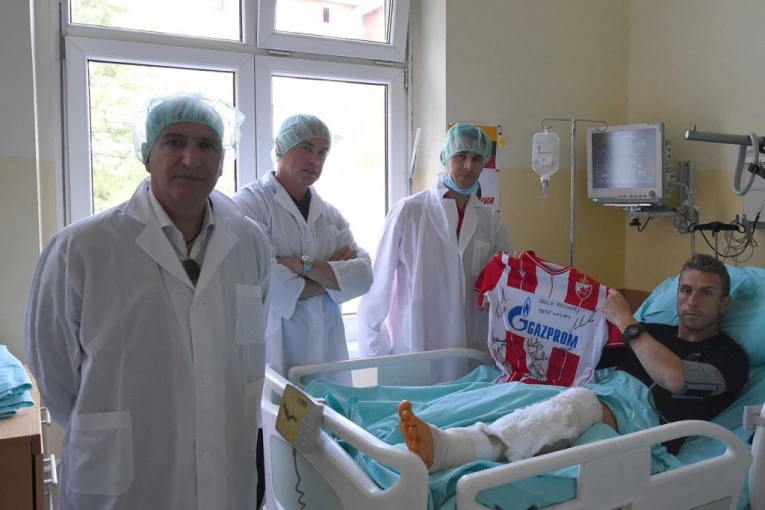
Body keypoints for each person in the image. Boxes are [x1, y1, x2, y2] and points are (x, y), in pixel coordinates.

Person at [25, 93, 272, 510]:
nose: (191, 159)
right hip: (122, 480)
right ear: (147, 155)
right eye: (174, 142)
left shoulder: (250, 242)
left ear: (221, 160)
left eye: (207, 145)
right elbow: (54, 375)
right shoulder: (81, 248)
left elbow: (247, 351)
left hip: (226, 470)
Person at [397, 254, 749, 472]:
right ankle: (462, 441)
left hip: (641, 419)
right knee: (525, 394)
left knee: (577, 407)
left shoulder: (729, 356)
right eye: (686, 290)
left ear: (725, 304)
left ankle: (453, 448)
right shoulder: (654, 330)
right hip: (599, 390)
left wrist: (627, 322)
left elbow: (675, 379)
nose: (692, 300)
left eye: (706, 293)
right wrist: (523, 289)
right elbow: (578, 345)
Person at [357, 123, 512, 383]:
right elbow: (377, 289)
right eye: (461, 156)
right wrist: (378, 356)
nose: (468, 166)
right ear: (444, 158)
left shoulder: (490, 221)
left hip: (472, 355)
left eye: (476, 159)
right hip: (415, 348)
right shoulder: (409, 211)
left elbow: (505, 289)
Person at [232, 114, 373, 377]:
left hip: (328, 350)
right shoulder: (249, 204)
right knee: (277, 401)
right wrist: (332, 280)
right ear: (281, 148)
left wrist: (301, 266)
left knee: (331, 403)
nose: (315, 160)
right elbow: (268, 282)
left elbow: (364, 276)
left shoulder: (329, 214)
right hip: (275, 348)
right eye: (306, 148)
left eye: (322, 152)